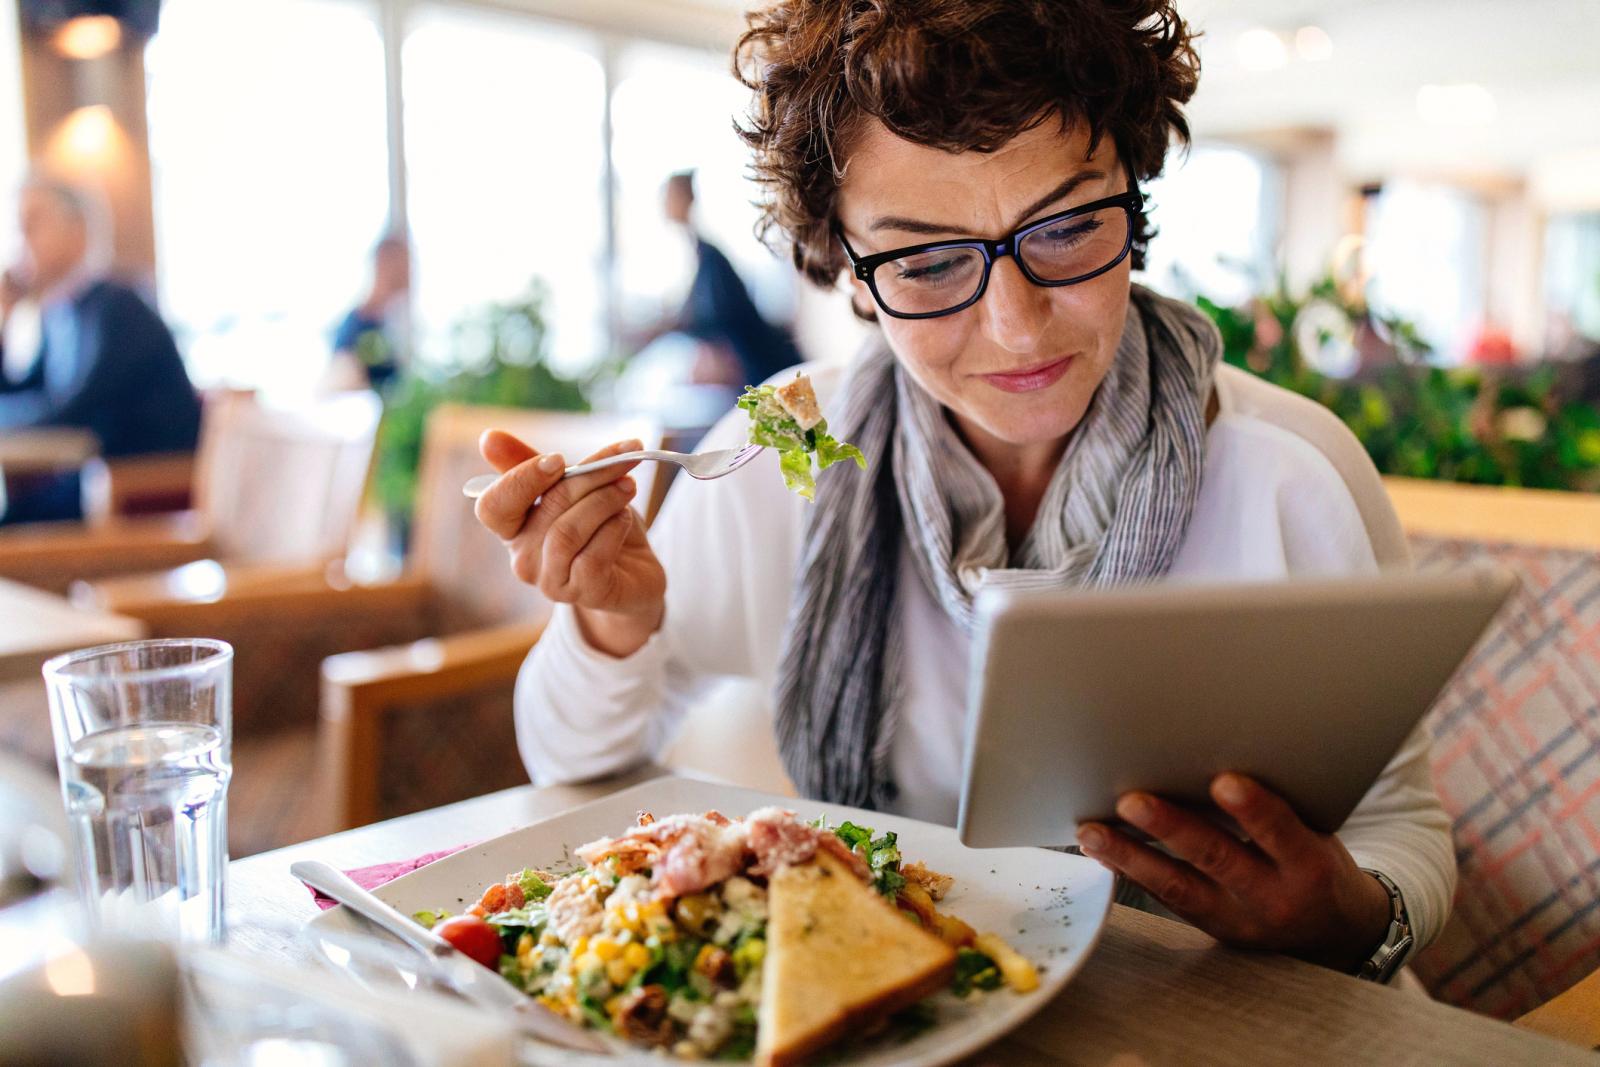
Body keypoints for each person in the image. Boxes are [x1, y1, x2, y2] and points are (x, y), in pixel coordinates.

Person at [472, 1, 1453, 979]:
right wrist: (611, 624)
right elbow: (568, 761)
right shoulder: (789, 446)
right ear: (851, 274)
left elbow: (1400, 830)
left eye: (1066, 227)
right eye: (930, 260)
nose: (1018, 328)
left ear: (1133, 198)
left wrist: (1348, 914)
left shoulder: (1286, 471)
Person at [0, 176, 200, 524]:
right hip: (94, 481)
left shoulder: (118, 307)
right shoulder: (60, 312)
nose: (22, 242)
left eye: (33, 224)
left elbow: (73, 408)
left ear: (77, 229)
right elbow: (26, 393)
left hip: (140, 491)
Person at [662, 170, 802, 388]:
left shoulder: (710, 256)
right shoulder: (697, 255)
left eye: (670, 196)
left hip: (760, 369)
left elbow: (723, 316)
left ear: (687, 198)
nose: (664, 205)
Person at [328, 234, 410, 391]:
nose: (409, 271)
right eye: (405, 264)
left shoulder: (390, 319)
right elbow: (338, 384)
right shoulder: (357, 325)